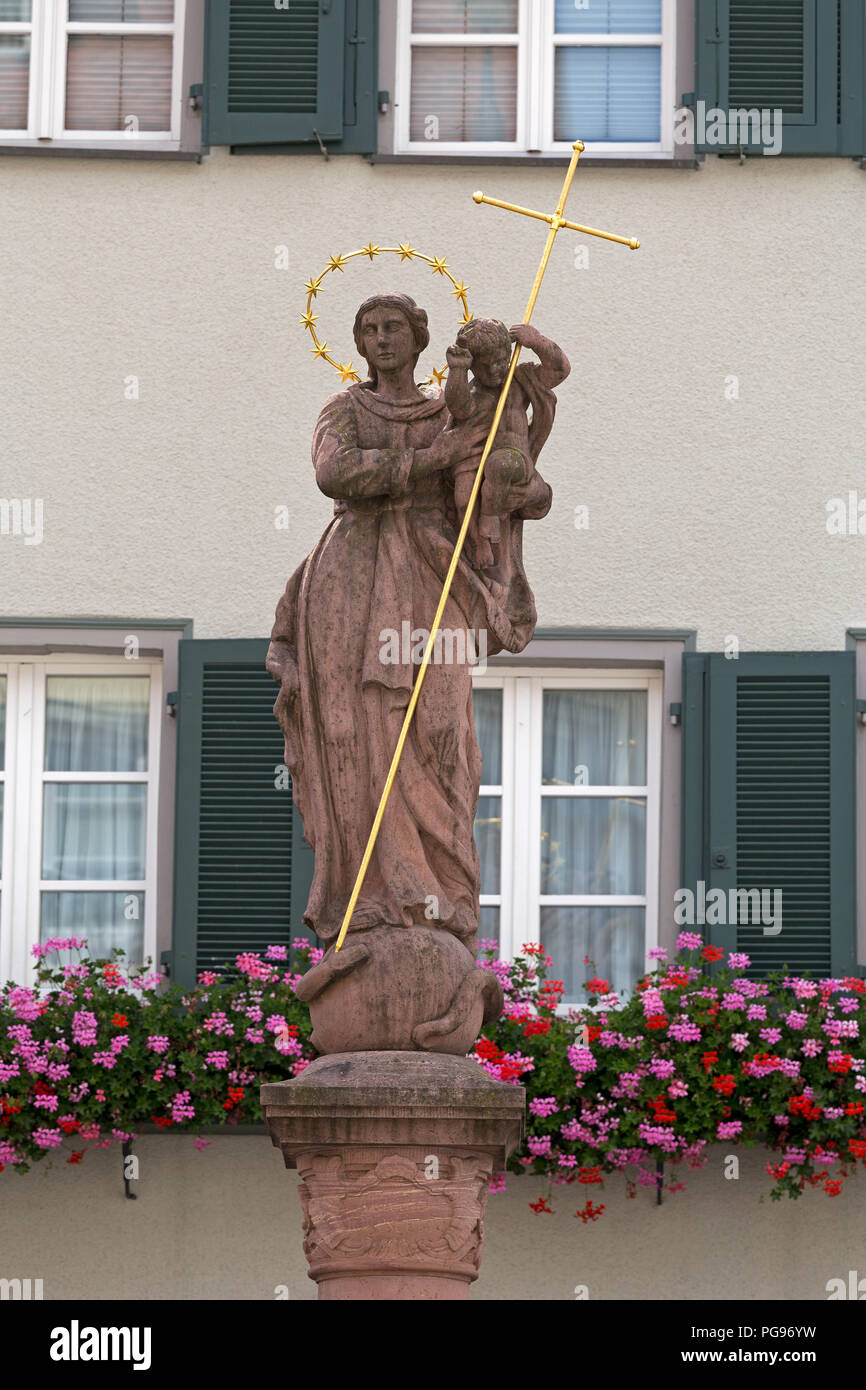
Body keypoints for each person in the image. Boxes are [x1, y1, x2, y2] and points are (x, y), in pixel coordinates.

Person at [267, 293, 553, 954]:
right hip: (353, 576)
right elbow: (334, 472)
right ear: (359, 344)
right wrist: (435, 457)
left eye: (394, 327)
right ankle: (364, 895)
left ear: (420, 339)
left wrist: (510, 480)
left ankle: (444, 898)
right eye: (368, 330)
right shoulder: (345, 409)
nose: (381, 338)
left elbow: (521, 483)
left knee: (444, 726)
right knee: (354, 730)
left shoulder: (455, 406)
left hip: (434, 571)